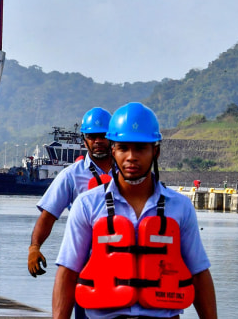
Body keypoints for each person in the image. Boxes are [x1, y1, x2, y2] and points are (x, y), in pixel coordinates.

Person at [53, 102, 217, 319]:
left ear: (155, 152)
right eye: (123, 148)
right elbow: (68, 272)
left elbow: (198, 273)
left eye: (140, 148)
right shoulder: (87, 205)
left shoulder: (180, 207)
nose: (131, 156)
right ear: (113, 151)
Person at [28, 107, 114, 278]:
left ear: (112, 137)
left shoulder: (127, 172)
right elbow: (47, 216)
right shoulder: (70, 176)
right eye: (91, 136)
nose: (97, 140)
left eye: (102, 135)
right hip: (84, 265)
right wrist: (34, 247)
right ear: (84, 140)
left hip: (122, 260)